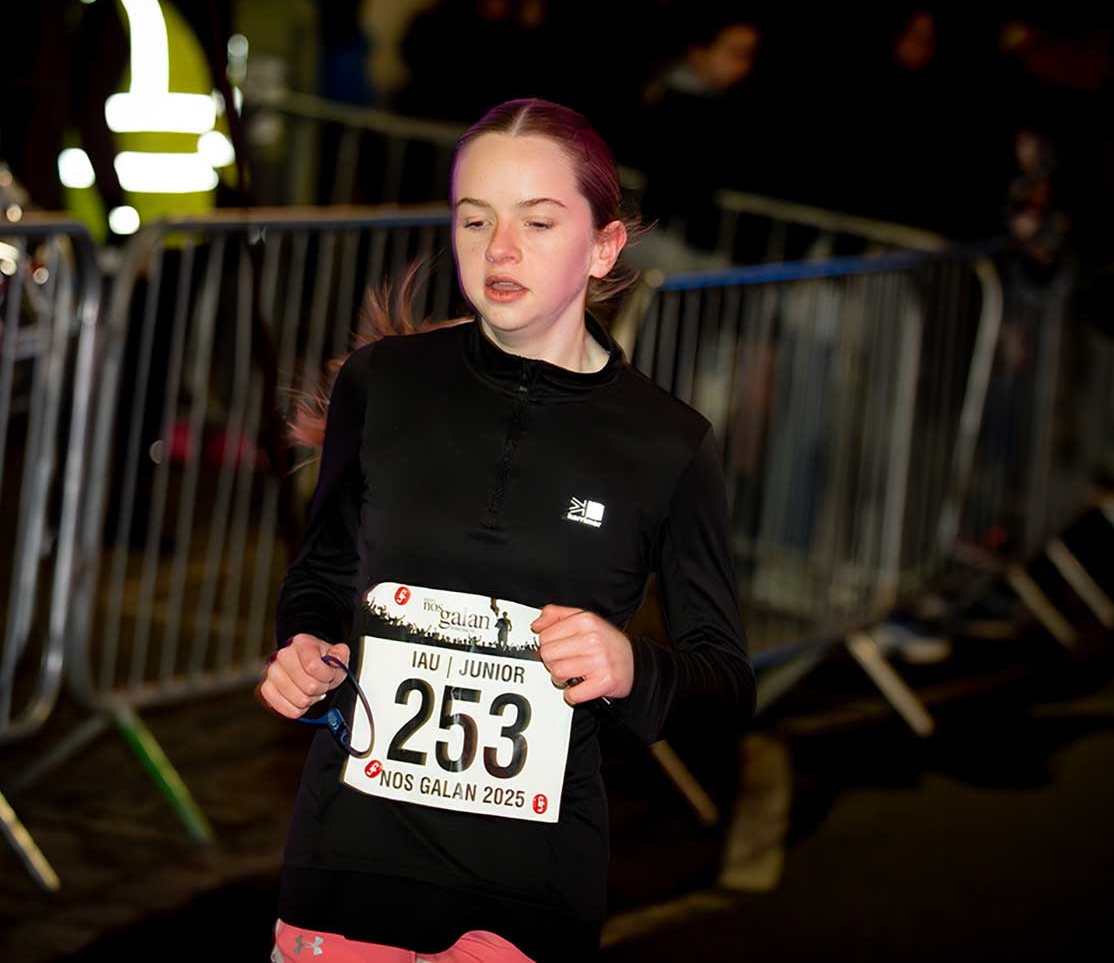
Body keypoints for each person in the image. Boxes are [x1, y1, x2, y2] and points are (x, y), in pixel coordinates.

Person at [257, 99, 755, 962]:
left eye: (539, 221)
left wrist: (631, 665)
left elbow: (724, 682)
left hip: (529, 888)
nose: (500, 249)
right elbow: (323, 573)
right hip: (350, 860)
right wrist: (304, 646)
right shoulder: (384, 384)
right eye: (475, 218)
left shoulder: (668, 444)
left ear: (603, 246)